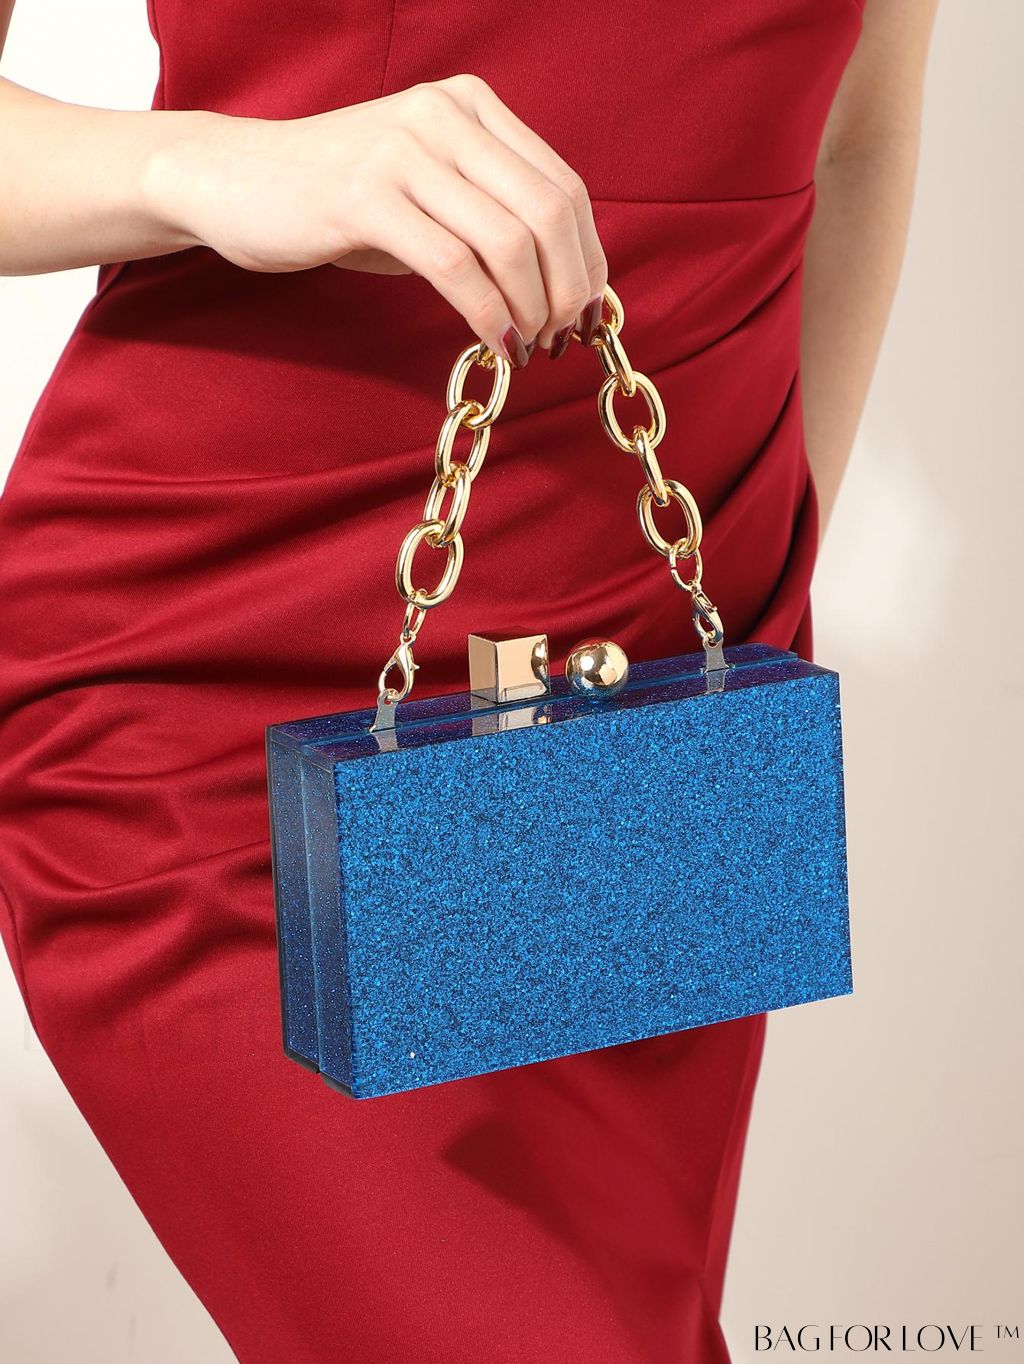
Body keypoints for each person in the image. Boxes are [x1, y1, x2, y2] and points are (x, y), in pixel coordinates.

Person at [0, 1, 939, 1359]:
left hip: (652, 734)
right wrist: (207, 164)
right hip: (235, 684)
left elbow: (858, 136)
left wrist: (757, 629)